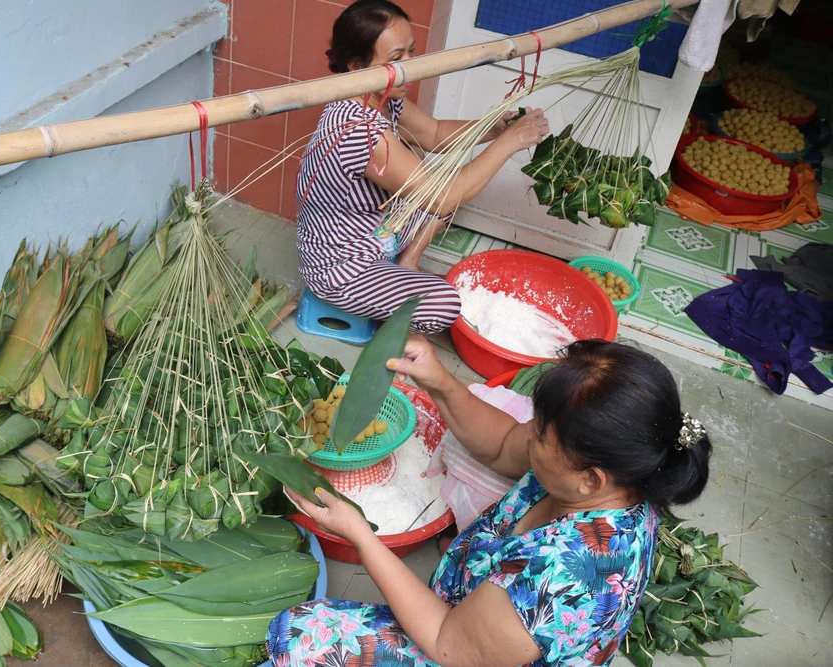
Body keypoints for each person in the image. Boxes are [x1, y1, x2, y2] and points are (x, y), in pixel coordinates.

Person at [267, 337, 712, 667]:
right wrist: (440, 382)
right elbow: (501, 444)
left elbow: (447, 644)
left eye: (540, 433)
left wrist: (361, 535)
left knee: (298, 636)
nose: (529, 435)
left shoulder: (568, 579)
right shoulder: (602, 474)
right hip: (476, 621)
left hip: (460, 646)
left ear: (590, 479)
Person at [296, 0, 550, 335]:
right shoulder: (357, 130)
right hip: (342, 266)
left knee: (449, 183)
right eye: (396, 58)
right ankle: (379, 292)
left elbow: (435, 133)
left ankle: (408, 261)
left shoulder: (383, 97)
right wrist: (510, 142)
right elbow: (441, 199)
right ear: (357, 65)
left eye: (412, 52)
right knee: (444, 302)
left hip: (378, 229)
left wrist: (493, 129)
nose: (411, 67)